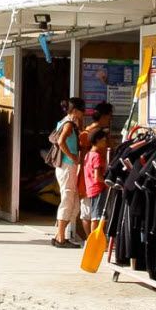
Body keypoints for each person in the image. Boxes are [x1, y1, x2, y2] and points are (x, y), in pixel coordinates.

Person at [50, 97, 85, 247]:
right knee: (68, 199)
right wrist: (73, 157)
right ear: (76, 111)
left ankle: (60, 234)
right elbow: (61, 141)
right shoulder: (69, 124)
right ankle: (61, 238)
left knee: (73, 202)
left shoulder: (65, 121)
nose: (84, 114)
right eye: (82, 111)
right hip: (67, 166)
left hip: (64, 167)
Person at [81, 129, 111, 243]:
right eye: (104, 140)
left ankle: (93, 240)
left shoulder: (88, 155)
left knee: (95, 215)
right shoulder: (97, 156)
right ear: (98, 141)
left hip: (91, 188)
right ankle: (95, 242)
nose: (105, 143)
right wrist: (107, 182)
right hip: (98, 188)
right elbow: (97, 176)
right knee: (97, 217)